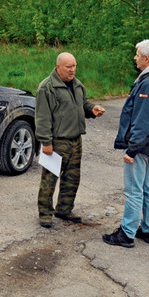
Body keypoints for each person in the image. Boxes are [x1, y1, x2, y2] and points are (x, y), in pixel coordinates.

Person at [103, 39, 149, 248]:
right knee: (148, 187)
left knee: (134, 189)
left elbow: (142, 119)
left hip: (141, 145)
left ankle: (127, 233)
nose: (135, 58)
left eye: (137, 54)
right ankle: (148, 229)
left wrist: (132, 149)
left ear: (146, 58)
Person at [36, 52, 105, 228]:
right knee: (49, 178)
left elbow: (82, 105)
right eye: (68, 66)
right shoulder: (47, 87)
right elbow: (42, 117)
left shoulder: (78, 85)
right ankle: (45, 213)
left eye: (74, 65)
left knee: (72, 178)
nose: (72, 69)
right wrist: (46, 141)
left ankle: (64, 209)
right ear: (58, 67)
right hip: (57, 141)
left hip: (75, 140)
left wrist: (92, 110)